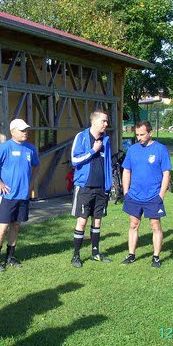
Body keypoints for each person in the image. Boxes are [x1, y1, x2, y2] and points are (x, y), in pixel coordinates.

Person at [0, 118, 40, 272]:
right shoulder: (5, 147)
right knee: (3, 227)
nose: (25, 132)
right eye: (22, 130)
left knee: (16, 225)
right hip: (7, 195)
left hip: (23, 195)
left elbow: (36, 166)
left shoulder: (30, 149)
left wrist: (31, 183)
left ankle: (10, 257)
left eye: (26, 130)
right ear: (12, 132)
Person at [121, 120, 172, 268]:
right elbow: (126, 171)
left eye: (142, 134)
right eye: (137, 135)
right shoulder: (132, 150)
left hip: (153, 196)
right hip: (134, 196)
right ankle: (131, 255)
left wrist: (161, 195)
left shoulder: (160, 149)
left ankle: (156, 257)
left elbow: (166, 174)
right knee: (133, 225)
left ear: (150, 133)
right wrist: (126, 192)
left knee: (155, 226)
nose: (139, 138)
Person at [70, 110, 113, 268]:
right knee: (82, 221)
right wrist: (93, 150)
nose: (106, 124)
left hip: (101, 188)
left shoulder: (106, 140)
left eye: (106, 121)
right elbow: (74, 160)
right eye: (103, 121)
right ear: (94, 122)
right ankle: (76, 255)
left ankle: (95, 253)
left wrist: (109, 185)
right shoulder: (81, 137)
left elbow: (107, 164)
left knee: (97, 221)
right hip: (85, 187)